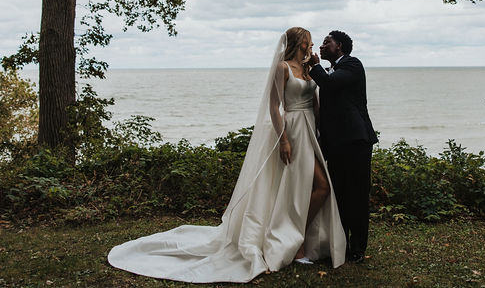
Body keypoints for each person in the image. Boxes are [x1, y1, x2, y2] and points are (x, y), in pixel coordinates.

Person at [108, 27, 346, 283]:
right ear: (299, 43)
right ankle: (295, 245)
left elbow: (315, 104)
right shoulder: (283, 68)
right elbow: (274, 107)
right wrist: (283, 139)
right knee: (290, 188)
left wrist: (321, 132)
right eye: (308, 42)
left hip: (309, 131)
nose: (312, 46)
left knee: (321, 188)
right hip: (292, 131)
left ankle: (297, 238)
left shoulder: (310, 70)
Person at [308, 30, 377, 263]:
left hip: (356, 141)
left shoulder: (352, 64)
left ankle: (357, 249)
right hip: (335, 143)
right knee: (338, 196)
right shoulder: (329, 70)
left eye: (327, 42)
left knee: (356, 195)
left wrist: (314, 66)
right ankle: (341, 245)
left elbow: (328, 84)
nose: (322, 45)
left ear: (339, 47)